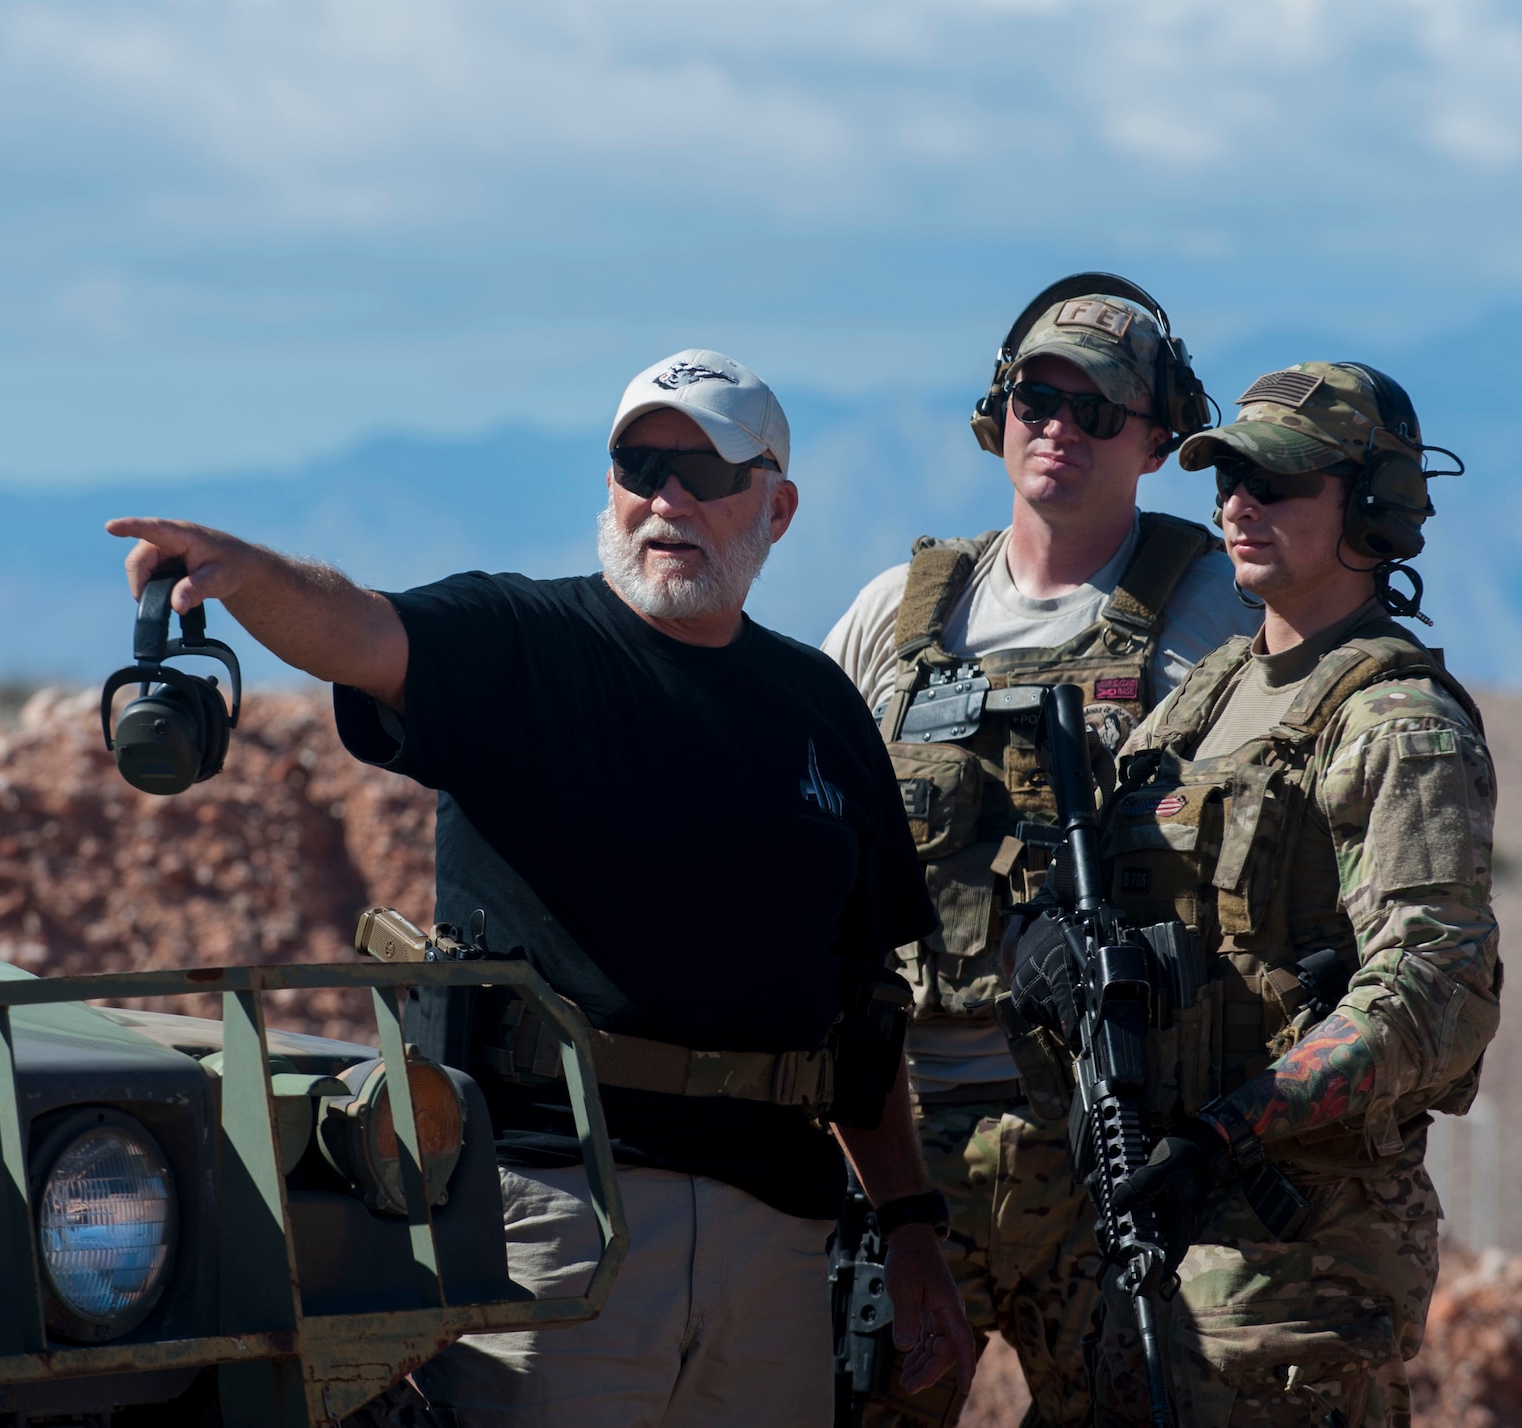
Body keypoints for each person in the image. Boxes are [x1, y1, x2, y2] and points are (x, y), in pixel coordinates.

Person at [106, 349, 976, 1427]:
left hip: (777, 1236)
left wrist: (908, 1230)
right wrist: (249, 575)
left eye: (703, 474)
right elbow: (363, 630)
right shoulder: (522, 646)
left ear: (777, 508)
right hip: (557, 1218)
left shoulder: (820, 709)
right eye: (638, 465)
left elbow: (864, 1012)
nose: (665, 499)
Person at [1017, 361, 1498, 1426]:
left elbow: (1434, 990)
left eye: (1274, 483)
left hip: (1293, 1263)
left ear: (1370, 508)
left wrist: (1233, 1127)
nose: (1237, 503)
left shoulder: (1393, 722)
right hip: (1142, 1228)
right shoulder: (1205, 695)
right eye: (1226, 477)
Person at [820, 275, 1260, 1427]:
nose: (1057, 427)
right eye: (1035, 397)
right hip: (910, 1153)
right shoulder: (895, 616)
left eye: (1096, 409)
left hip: (1116, 1143)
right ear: (996, 411)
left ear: (1157, 438)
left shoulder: (1216, 605)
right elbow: (803, 836)